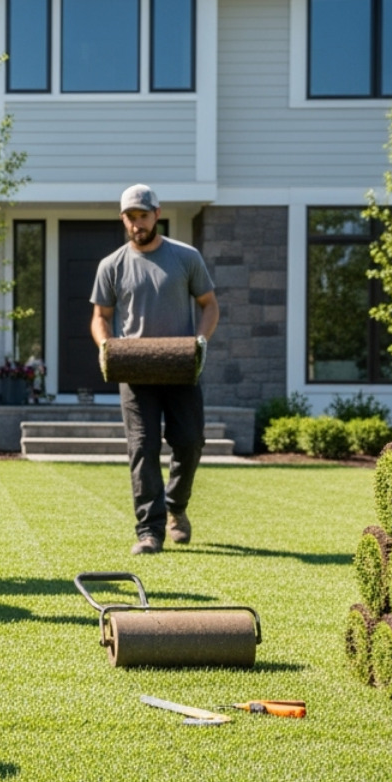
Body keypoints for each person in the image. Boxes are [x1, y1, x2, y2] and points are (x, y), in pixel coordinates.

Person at [91, 184, 220, 556]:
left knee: (190, 441)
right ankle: (150, 531)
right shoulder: (111, 265)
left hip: (181, 366)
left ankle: (176, 506)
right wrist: (106, 346)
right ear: (123, 219)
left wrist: (199, 343)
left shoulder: (185, 257)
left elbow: (209, 305)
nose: (136, 224)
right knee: (143, 448)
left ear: (156, 215)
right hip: (135, 370)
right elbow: (100, 316)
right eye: (130, 217)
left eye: (142, 216)